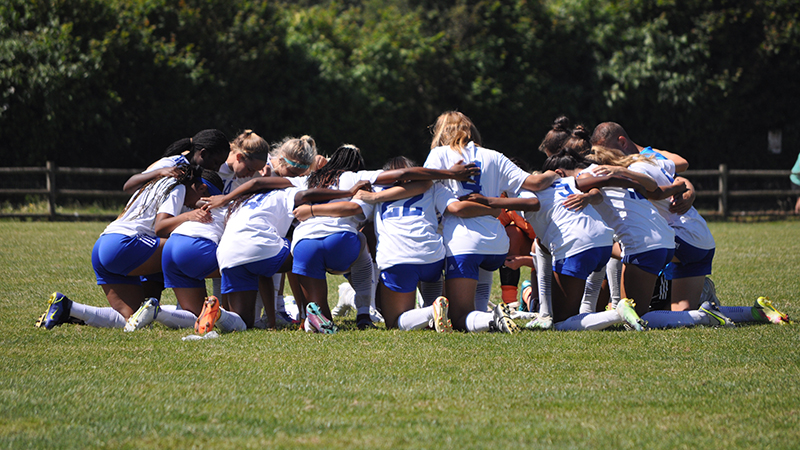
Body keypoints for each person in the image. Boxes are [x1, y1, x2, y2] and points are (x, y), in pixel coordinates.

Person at [422, 111, 558, 333]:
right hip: (496, 244)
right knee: (479, 291)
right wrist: (554, 173)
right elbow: (533, 183)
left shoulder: (440, 154)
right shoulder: (494, 155)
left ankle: (492, 318)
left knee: (458, 317)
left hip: (464, 243)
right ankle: (489, 316)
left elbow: (424, 180)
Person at [36, 166, 216, 330]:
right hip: (124, 244)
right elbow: (161, 227)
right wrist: (189, 216)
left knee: (132, 318)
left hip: (103, 244)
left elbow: (129, 186)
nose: (196, 207)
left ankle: (68, 307)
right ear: (202, 189)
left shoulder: (157, 184)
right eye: (203, 202)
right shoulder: (179, 188)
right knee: (182, 251)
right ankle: (193, 309)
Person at [520, 151, 646, 331]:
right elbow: (599, 187)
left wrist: (489, 201)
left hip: (577, 244)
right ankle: (552, 313)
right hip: (603, 242)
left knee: (561, 323)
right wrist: (591, 196)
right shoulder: (566, 182)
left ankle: (617, 312)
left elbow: (529, 205)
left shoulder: (528, 191)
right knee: (541, 245)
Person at [123, 129, 231, 194]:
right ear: (203, 154)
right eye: (216, 163)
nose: (217, 169)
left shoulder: (198, 174)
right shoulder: (172, 164)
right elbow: (128, 187)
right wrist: (159, 172)